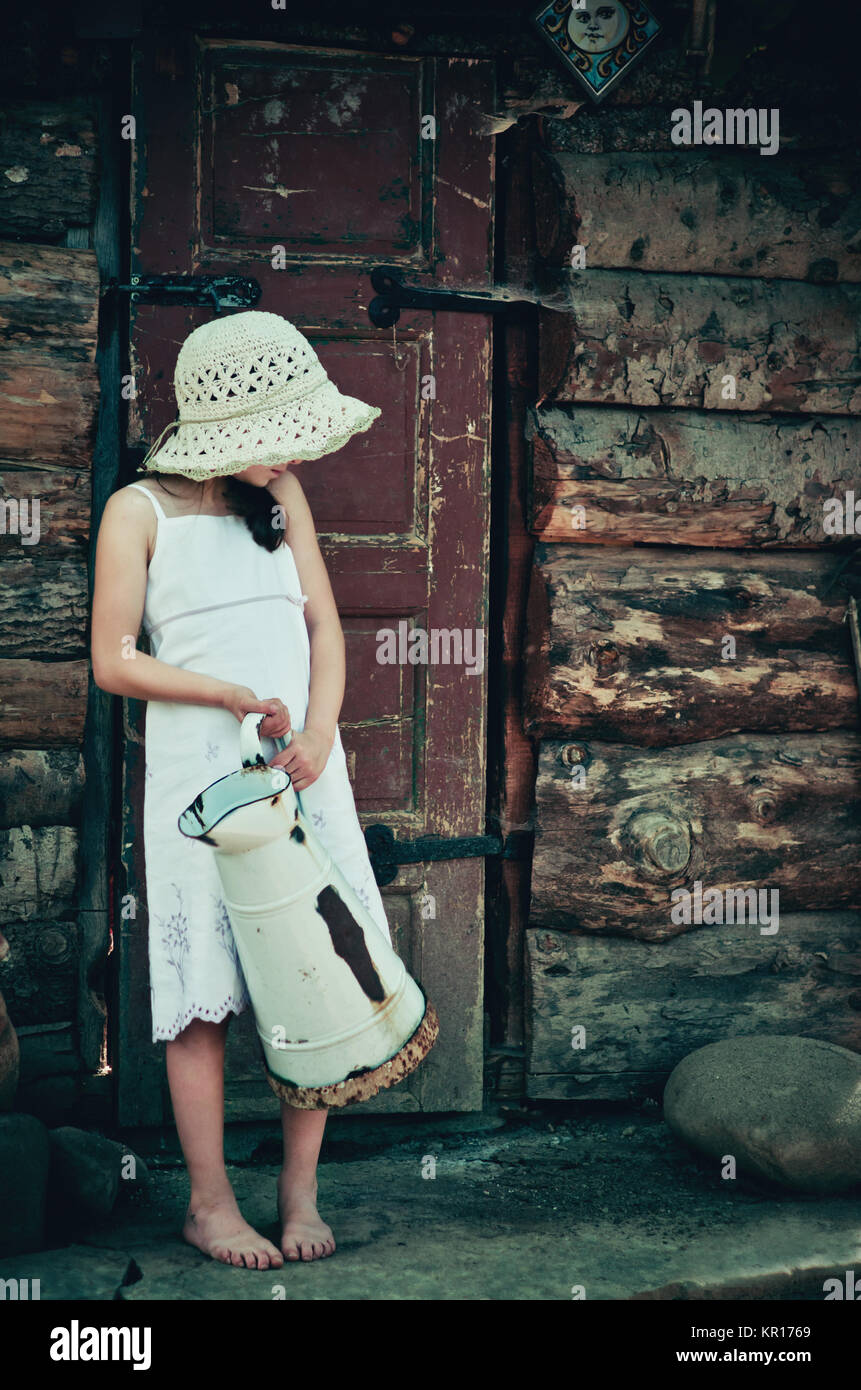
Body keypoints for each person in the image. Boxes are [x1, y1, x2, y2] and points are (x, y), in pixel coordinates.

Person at [91, 310, 390, 1269]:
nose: (291, 455)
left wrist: (319, 732)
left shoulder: (282, 498)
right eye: (276, 439)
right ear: (226, 434)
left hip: (301, 768)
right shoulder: (140, 511)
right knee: (204, 991)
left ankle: (298, 1195)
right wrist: (221, 694)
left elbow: (326, 633)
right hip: (198, 780)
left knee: (314, 971)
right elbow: (112, 660)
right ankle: (210, 1206)